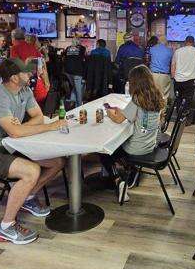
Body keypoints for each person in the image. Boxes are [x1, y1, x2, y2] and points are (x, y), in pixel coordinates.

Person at [0, 59, 67, 245]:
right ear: (14, 78)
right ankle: (5, 227)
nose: (31, 73)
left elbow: (38, 117)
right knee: (31, 171)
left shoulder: (25, 90)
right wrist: (50, 126)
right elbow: (16, 132)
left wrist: (22, 127)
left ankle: (28, 198)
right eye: (26, 72)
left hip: (12, 145)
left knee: (57, 162)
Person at [100, 65, 165, 202]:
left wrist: (109, 112)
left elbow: (118, 120)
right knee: (118, 146)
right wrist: (123, 111)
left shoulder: (137, 99)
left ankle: (118, 181)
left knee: (104, 151)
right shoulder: (157, 96)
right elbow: (141, 116)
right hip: (151, 144)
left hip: (136, 148)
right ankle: (132, 170)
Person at [171, 34, 195, 103]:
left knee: (178, 99)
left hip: (178, 79)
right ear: (193, 42)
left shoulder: (177, 51)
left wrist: (173, 76)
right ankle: (185, 109)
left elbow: (173, 65)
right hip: (189, 80)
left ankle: (178, 108)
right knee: (187, 100)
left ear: (185, 42)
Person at [146, 35, 173, 104]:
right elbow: (171, 63)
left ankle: (153, 109)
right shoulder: (170, 51)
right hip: (164, 76)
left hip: (153, 75)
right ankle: (162, 110)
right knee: (164, 96)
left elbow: (148, 60)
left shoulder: (152, 49)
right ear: (166, 42)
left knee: (153, 94)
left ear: (158, 41)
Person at [63, 38, 87, 107]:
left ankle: (72, 100)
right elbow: (85, 57)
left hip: (68, 72)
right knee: (79, 89)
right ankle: (79, 106)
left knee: (75, 87)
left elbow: (64, 57)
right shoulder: (82, 48)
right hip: (77, 72)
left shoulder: (68, 48)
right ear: (79, 43)